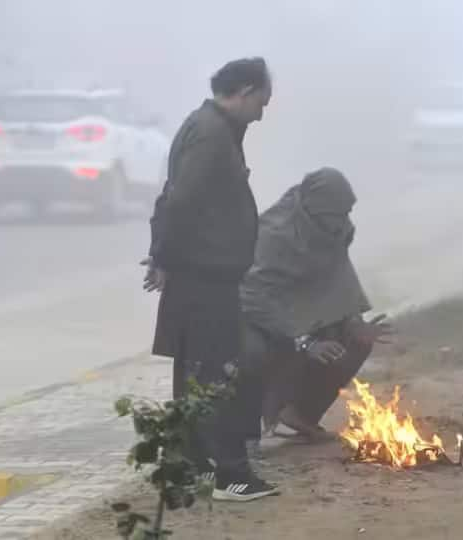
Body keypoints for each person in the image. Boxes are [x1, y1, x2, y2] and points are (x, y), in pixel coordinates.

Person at [142, 57, 278, 502]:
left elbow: (177, 196)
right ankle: (232, 476)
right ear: (243, 91)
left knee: (197, 373)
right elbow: (179, 199)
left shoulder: (211, 127)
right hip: (203, 275)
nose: (262, 113)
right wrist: (161, 255)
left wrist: (162, 254)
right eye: (261, 101)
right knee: (220, 372)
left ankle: (187, 467)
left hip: (201, 271)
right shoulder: (211, 132)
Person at [237, 167, 392, 443]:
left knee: (354, 343)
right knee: (259, 353)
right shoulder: (273, 236)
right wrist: (305, 340)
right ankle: (259, 420)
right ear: (314, 210)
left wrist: (352, 320)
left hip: (300, 314)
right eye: (338, 214)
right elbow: (255, 298)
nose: (345, 222)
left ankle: (301, 414)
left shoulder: (335, 229)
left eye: (347, 213)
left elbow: (337, 274)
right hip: (257, 317)